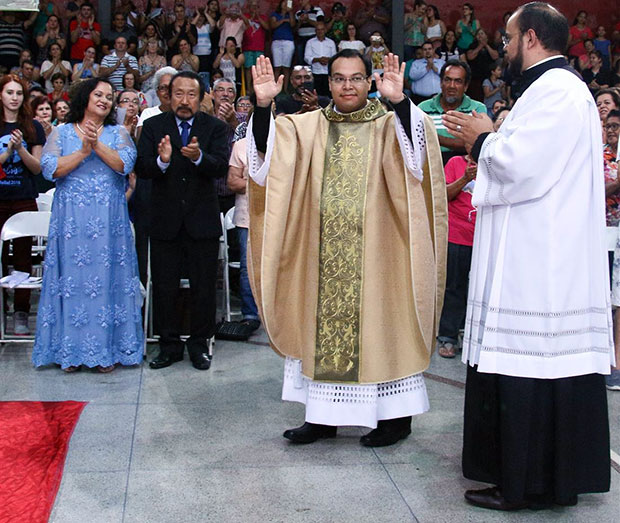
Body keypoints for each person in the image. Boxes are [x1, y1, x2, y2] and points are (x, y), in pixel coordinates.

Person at [442, 2, 613, 510]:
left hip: (539, 261)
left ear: (533, 38)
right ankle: (535, 477)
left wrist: (482, 138)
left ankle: (528, 484)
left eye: (511, 38)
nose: (505, 49)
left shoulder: (557, 91)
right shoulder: (550, 89)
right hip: (539, 252)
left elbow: (524, 167)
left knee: (530, 366)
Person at [248, 50, 446, 446]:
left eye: (356, 78)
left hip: (380, 252)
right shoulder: (307, 127)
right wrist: (264, 104)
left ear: (369, 82)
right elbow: (267, 158)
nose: (347, 86)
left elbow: (418, 160)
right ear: (329, 84)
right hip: (320, 254)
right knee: (319, 329)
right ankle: (323, 417)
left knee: (385, 327)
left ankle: (395, 418)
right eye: (339, 79)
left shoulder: (390, 123)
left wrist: (400, 101)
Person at [32, 80, 144, 373]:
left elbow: (124, 164)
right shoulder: (62, 132)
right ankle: (70, 350)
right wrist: (83, 151)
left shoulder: (118, 132)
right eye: (99, 94)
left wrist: (96, 145)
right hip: (72, 222)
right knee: (73, 283)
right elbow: (50, 169)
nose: (105, 100)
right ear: (85, 98)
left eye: (110, 97)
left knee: (107, 281)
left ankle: (107, 350)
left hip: (108, 221)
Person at [136, 71, 230, 371]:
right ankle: (169, 346)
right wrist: (163, 160)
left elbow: (220, 167)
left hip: (201, 220)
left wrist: (200, 157)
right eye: (178, 93)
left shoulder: (213, 126)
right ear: (167, 95)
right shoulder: (153, 126)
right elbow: (143, 168)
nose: (185, 100)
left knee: (203, 287)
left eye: (192, 94)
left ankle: (200, 345)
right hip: (165, 220)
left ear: (202, 97)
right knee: (165, 286)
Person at [0, 75, 45, 336]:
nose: (15, 97)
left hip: (24, 199)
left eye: (19, 93)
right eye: (9, 92)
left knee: (23, 259)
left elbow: (37, 167)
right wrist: (7, 152)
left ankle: (21, 312)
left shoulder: (33, 127)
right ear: (1, 95)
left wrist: (21, 149)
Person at [436, 153, 477, 358]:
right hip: (458, 234)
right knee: (454, 287)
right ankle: (448, 337)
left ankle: (472, 335)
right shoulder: (456, 163)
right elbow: (442, 195)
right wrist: (465, 178)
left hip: (486, 237)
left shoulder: (497, 164)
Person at [418, 60, 487, 164]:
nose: (452, 86)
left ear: (466, 86)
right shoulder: (423, 108)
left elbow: (476, 144)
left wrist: (434, 138)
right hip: (431, 166)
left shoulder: (477, 109)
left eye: (458, 81)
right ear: (441, 83)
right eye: (447, 80)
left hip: (465, 167)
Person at [227, 136, 261, 334]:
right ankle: (250, 315)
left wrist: (248, 181)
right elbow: (233, 182)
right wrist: (263, 184)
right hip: (246, 216)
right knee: (247, 267)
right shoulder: (240, 146)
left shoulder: (282, 141)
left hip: (277, 216)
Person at [242, 0, 269, 95]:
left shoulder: (263, 17)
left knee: (259, 69)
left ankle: (256, 87)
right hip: (247, 47)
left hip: (259, 47)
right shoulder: (245, 16)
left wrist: (258, 18)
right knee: (248, 68)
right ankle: (249, 87)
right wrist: (252, 18)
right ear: (249, 8)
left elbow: (267, 27)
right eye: (252, 7)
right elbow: (245, 25)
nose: (254, 9)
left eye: (256, 7)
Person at [304, 21, 337, 96]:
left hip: (328, 72)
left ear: (325, 30)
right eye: (318, 29)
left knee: (328, 95)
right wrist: (318, 60)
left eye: (322, 29)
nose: (320, 31)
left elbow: (335, 57)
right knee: (316, 95)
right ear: (315, 31)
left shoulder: (331, 42)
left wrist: (327, 60)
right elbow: (307, 58)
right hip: (315, 72)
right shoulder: (310, 42)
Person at [270, 0, 296, 92]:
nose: (285, 5)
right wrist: (284, 20)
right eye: (284, 3)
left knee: (286, 67)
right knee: (277, 67)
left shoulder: (291, 14)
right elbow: (273, 25)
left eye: (287, 3)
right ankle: (276, 89)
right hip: (276, 42)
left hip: (288, 42)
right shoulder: (275, 14)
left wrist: (290, 12)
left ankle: (285, 89)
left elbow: (293, 24)